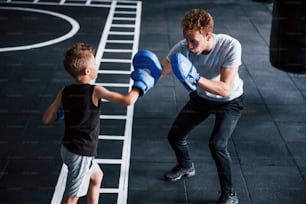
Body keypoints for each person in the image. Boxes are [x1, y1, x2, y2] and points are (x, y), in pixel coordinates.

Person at [42, 43, 161, 204]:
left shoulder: (65, 91)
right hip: (81, 153)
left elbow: (46, 118)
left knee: (97, 177)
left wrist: (60, 115)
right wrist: (140, 83)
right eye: (95, 64)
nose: (97, 66)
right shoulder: (95, 90)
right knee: (71, 197)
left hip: (68, 148)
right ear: (87, 71)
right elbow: (127, 100)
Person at [161, 9, 244, 204]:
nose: (189, 46)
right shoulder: (182, 47)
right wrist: (142, 80)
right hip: (202, 98)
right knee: (175, 135)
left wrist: (196, 78)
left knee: (217, 145)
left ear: (208, 35)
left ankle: (229, 194)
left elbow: (224, 89)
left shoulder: (230, 45)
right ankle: (186, 166)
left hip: (229, 102)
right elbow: (162, 69)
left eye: (194, 42)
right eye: (186, 40)